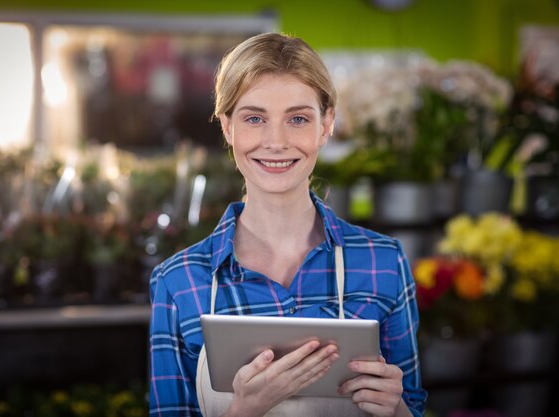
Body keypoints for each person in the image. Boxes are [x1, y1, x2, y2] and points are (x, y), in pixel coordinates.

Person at [149, 32, 427, 417]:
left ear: (326, 125)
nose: (276, 141)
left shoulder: (384, 261)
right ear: (228, 127)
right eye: (254, 118)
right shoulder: (178, 281)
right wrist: (245, 410)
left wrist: (396, 407)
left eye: (297, 118)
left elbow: (412, 406)